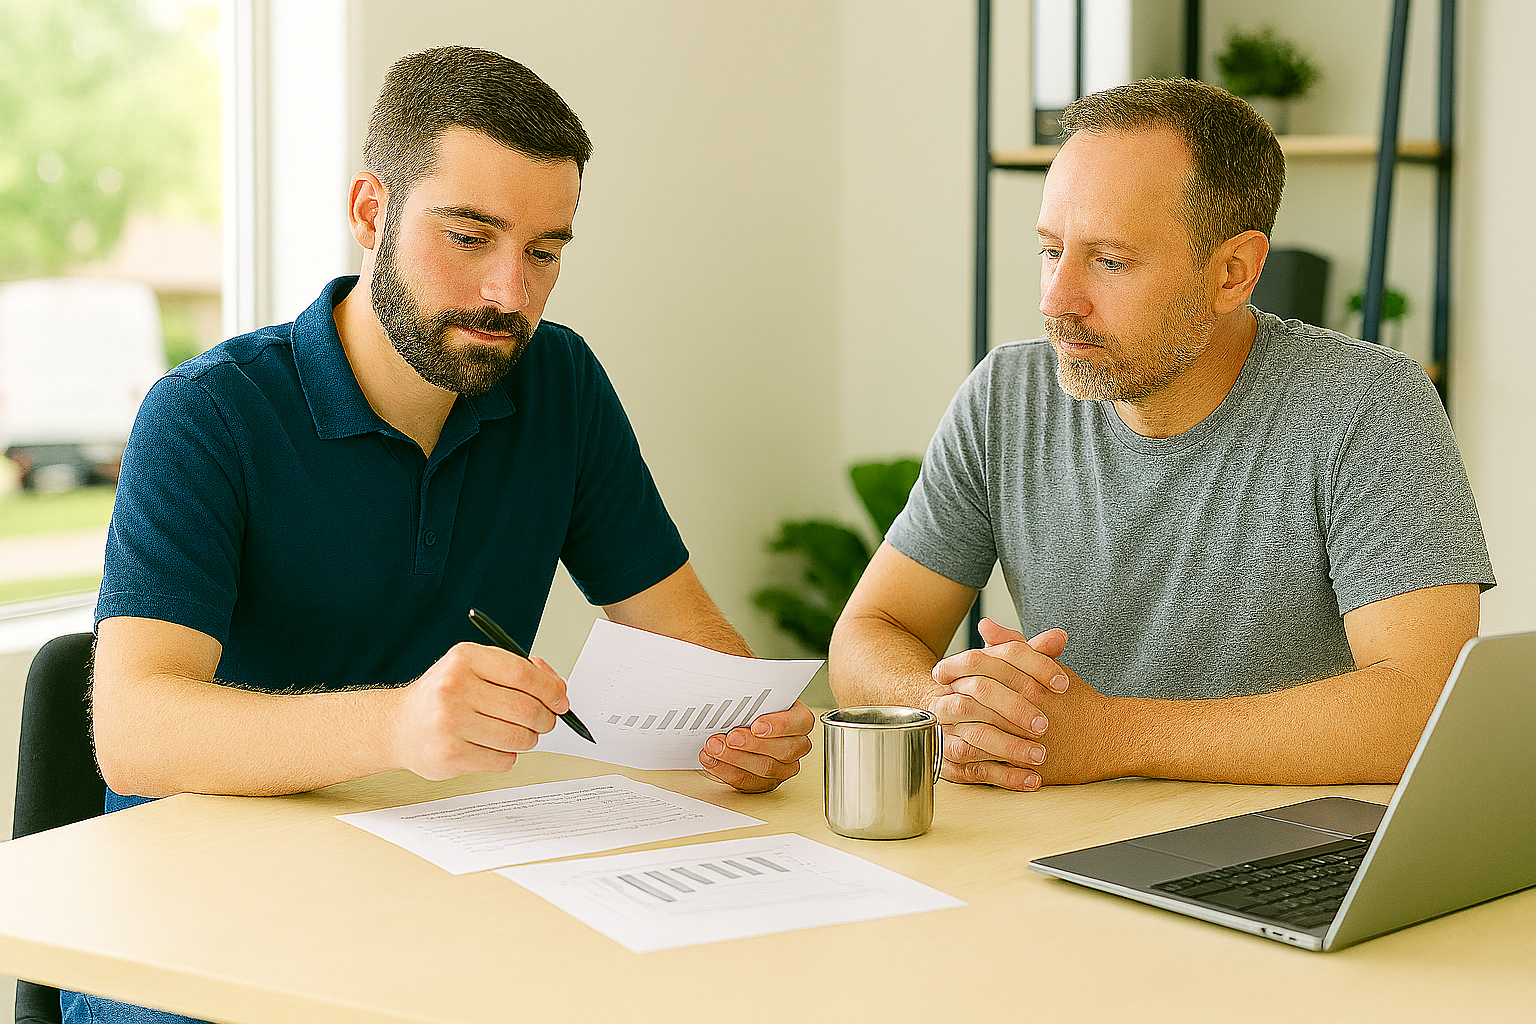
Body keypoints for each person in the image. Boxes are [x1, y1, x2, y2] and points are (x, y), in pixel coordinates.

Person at [75, 46, 812, 1024]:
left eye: (545, 252)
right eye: (469, 237)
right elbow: (134, 733)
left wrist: (743, 724)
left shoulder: (561, 385)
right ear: (372, 212)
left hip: (432, 911)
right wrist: (396, 724)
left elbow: (687, 630)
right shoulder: (207, 415)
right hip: (196, 943)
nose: (510, 293)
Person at [829, 78, 1494, 794]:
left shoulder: (1367, 404)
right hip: (1065, 840)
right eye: (1052, 250)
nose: (1057, 301)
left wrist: (1112, 735)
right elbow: (870, 630)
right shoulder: (1005, 397)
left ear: (1232, 272)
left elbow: (1426, 707)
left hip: (1292, 854)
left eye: (1109, 261)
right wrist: (952, 713)